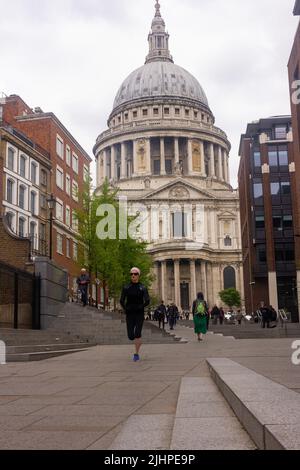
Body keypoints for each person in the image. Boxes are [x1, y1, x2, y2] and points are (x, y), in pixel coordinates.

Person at [120, 267, 150, 362]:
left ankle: (136, 354)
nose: (133, 275)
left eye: (135, 274)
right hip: (130, 313)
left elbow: (147, 300)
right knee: (130, 336)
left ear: (138, 275)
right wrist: (125, 308)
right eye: (131, 274)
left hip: (139, 313)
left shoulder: (143, 287)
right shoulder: (126, 287)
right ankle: (137, 342)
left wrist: (141, 306)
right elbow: (121, 300)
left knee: (137, 334)